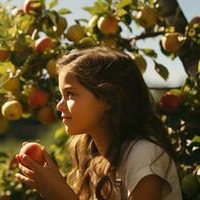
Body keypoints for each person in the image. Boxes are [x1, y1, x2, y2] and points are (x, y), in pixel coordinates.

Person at [15, 46, 182, 200]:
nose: (59, 105)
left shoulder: (143, 155)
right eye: (61, 95)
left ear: (109, 99)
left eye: (70, 94)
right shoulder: (92, 158)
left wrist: (59, 194)